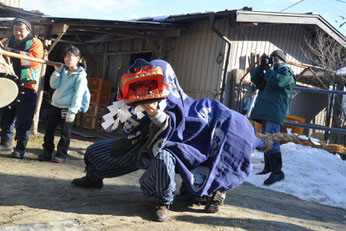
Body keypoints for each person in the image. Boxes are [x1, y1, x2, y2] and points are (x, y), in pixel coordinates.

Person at [71, 59, 272, 222]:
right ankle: (93, 179)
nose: (143, 87)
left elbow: (172, 125)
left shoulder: (180, 104)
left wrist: (153, 112)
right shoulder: (131, 96)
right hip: (140, 146)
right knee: (94, 152)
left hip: (185, 150)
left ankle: (164, 201)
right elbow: (125, 128)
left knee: (164, 158)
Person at [250, 49, 296, 185]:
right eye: (272, 58)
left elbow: (277, 82)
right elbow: (256, 80)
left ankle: (277, 172)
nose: (273, 60)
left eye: (275, 58)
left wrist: (269, 69)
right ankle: (268, 167)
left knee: (272, 139)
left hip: (274, 111)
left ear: (282, 59)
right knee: (266, 139)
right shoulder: (271, 72)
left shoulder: (286, 72)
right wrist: (261, 66)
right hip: (266, 111)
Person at [0, 17, 44, 159]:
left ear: (28, 30)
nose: (18, 33)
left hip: (28, 85)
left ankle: (20, 148)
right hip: (10, 84)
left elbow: (32, 60)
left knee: (24, 118)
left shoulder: (36, 43)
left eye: (21, 30)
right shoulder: (6, 41)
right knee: (7, 115)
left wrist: (11, 51)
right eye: (15, 29)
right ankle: (5, 142)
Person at [38, 45, 88, 163]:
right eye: (66, 57)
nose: (67, 59)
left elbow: (79, 94)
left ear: (77, 58)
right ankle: (47, 152)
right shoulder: (63, 71)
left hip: (68, 107)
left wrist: (73, 111)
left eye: (70, 57)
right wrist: (56, 72)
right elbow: (53, 85)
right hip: (56, 105)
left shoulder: (80, 75)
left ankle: (61, 154)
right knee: (49, 130)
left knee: (65, 132)